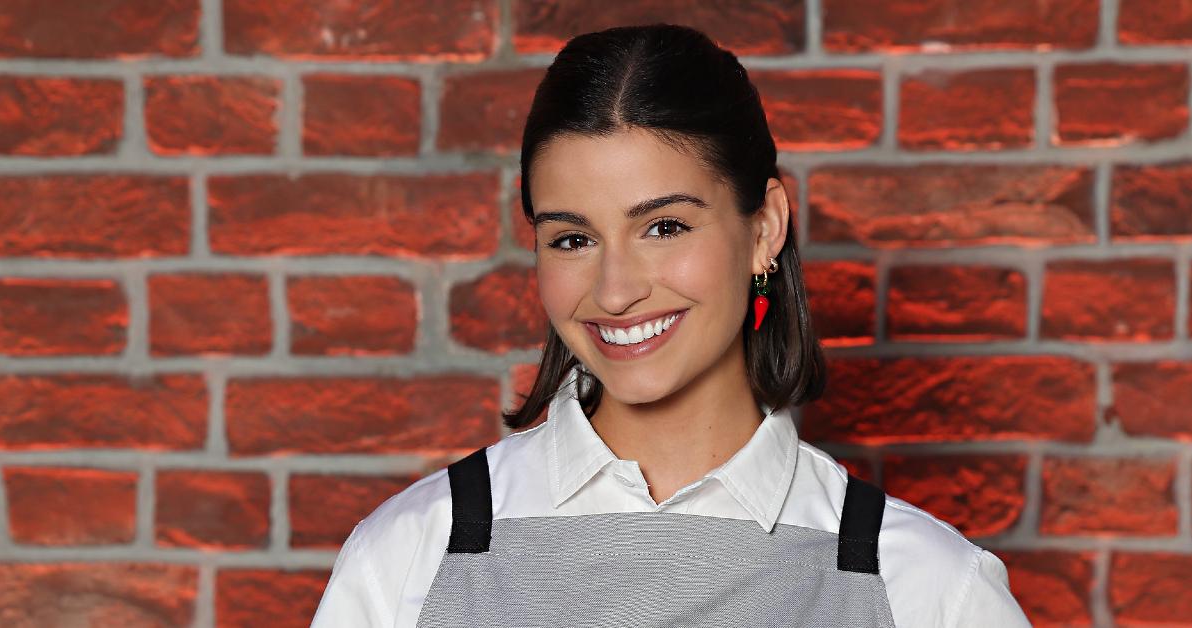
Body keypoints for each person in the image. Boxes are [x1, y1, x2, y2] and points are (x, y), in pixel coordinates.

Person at [311, 23, 1031, 627]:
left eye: (664, 225)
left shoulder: (929, 589)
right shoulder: (408, 556)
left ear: (764, 228)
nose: (616, 290)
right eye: (573, 239)